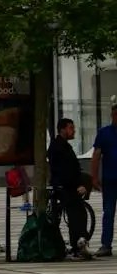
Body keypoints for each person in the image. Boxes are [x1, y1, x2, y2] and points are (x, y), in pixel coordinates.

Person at [50, 118, 93, 260]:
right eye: (70, 128)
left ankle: (79, 243)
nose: (73, 130)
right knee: (76, 215)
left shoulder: (61, 146)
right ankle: (78, 246)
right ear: (62, 129)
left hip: (66, 185)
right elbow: (66, 171)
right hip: (67, 187)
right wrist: (77, 185)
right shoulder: (60, 147)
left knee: (78, 213)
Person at [91, 99, 117, 258]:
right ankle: (106, 245)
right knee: (108, 213)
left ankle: (106, 245)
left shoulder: (104, 132)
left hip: (109, 179)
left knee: (108, 212)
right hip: (110, 180)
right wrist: (94, 177)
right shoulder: (104, 133)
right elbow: (96, 156)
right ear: (112, 115)